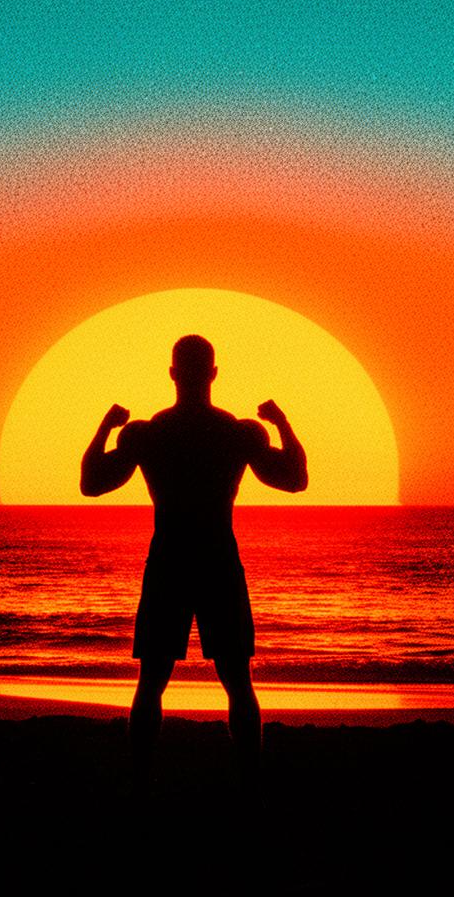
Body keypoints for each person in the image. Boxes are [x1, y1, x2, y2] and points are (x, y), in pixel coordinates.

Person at [80, 334, 307, 793]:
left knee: (152, 682)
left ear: (172, 374)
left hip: (169, 559)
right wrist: (282, 423)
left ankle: (141, 782)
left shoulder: (148, 433)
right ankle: (249, 784)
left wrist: (105, 427)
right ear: (214, 374)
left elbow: (91, 483)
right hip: (218, 559)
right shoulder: (238, 432)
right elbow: (295, 479)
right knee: (237, 682)